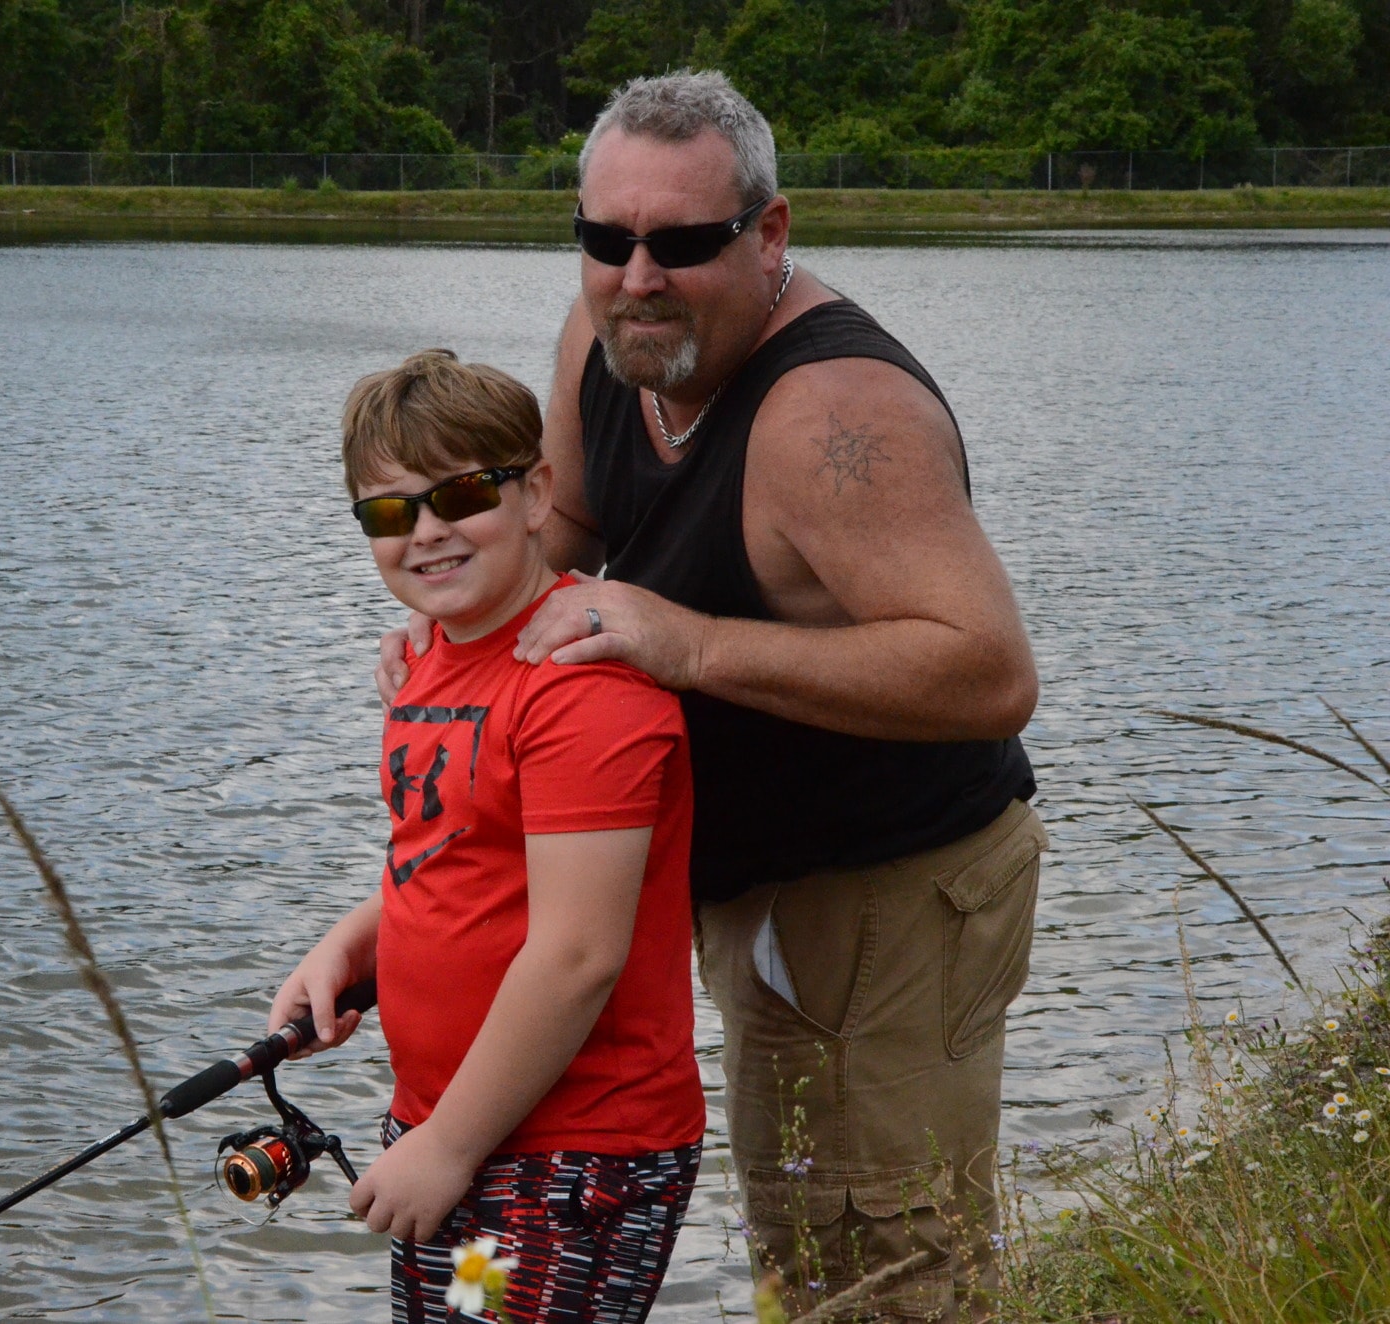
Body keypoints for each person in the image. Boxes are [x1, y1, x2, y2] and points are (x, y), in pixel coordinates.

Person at [377, 73, 1044, 1321]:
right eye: (604, 239)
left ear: (769, 233)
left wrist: (684, 643)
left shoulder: (836, 415)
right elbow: (564, 521)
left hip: (891, 885)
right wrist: (450, 625)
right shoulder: (603, 344)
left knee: (878, 1255)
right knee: (791, 1227)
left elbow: (989, 671)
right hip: (742, 877)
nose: (639, 275)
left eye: (683, 243)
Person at [271, 349, 707, 1323]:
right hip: (453, 1131)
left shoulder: (578, 680)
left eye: (459, 493)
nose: (424, 532)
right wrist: (351, 944)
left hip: (569, 1157)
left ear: (536, 491)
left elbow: (576, 952)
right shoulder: (428, 654)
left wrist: (448, 1146)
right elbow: (454, 864)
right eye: (389, 512)